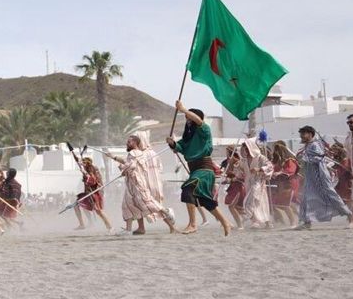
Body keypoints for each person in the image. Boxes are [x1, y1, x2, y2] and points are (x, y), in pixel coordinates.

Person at [166, 100, 231, 235]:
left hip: (204, 169)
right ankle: (226, 223)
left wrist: (183, 109)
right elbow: (180, 148)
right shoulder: (188, 137)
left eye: (189, 118)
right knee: (204, 201)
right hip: (195, 170)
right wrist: (172, 143)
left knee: (187, 189)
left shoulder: (204, 130)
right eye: (186, 118)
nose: (187, 120)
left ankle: (193, 224)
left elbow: (199, 121)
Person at [112, 132, 176, 234]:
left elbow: (132, 166)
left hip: (144, 183)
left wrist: (123, 168)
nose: (127, 143)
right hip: (155, 183)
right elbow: (160, 168)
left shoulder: (139, 153)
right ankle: (141, 228)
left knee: (150, 205)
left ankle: (168, 218)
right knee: (137, 204)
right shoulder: (153, 153)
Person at [294, 126, 351, 229]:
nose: (301, 136)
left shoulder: (315, 144)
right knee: (306, 198)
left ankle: (349, 214)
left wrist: (305, 158)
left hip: (319, 176)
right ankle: (307, 222)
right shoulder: (307, 146)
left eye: (303, 134)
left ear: (310, 134)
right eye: (301, 134)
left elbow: (319, 157)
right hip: (310, 177)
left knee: (330, 195)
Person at [237, 136, 274, 230]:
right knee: (258, 203)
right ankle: (262, 222)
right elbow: (241, 171)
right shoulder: (244, 160)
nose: (244, 150)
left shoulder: (260, 157)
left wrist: (260, 169)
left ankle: (253, 220)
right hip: (248, 183)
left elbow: (270, 166)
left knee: (251, 200)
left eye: (246, 148)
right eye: (244, 148)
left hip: (258, 182)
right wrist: (236, 170)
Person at [71, 152, 112, 231]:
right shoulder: (87, 168)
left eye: (83, 163)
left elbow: (93, 181)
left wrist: (86, 176)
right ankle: (82, 224)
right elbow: (78, 161)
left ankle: (109, 226)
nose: (82, 165)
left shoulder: (91, 169)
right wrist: (72, 151)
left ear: (87, 163)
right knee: (77, 205)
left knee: (98, 211)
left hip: (94, 193)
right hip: (88, 192)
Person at [268, 140, 300, 227]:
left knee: (285, 204)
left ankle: (293, 222)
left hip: (288, 184)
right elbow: (273, 169)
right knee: (276, 204)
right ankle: (281, 221)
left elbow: (290, 170)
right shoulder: (277, 160)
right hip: (279, 185)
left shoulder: (289, 160)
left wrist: (280, 173)